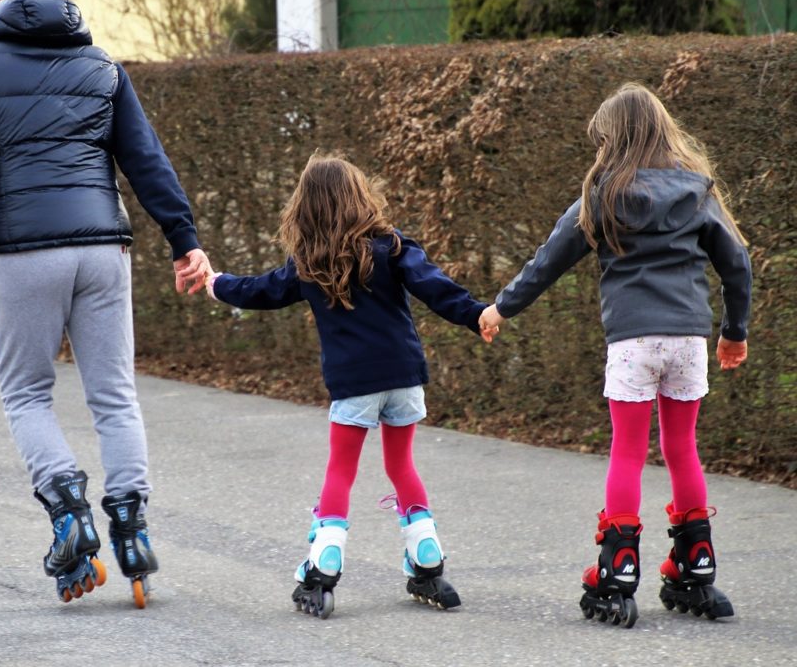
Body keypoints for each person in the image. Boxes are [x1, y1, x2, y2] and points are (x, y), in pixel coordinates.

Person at [0, 0, 210, 608]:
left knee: (26, 394)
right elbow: (146, 160)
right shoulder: (102, 65)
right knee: (114, 393)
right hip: (103, 247)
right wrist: (185, 241)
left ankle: (68, 508)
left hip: (22, 250)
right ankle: (131, 529)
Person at [479, 83, 751, 627]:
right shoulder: (698, 191)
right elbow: (736, 262)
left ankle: (619, 566)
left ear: (612, 139)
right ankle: (696, 562)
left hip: (632, 341)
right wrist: (734, 332)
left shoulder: (601, 194)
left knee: (628, 450)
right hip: (688, 340)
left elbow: (548, 261)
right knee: (682, 448)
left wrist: (501, 308)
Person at [204, 154, 493, 618]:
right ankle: (427, 557)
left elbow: (259, 291)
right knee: (401, 466)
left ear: (306, 208)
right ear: (361, 196)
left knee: (342, 470)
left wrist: (217, 284)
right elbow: (436, 287)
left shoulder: (308, 263)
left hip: (353, 383)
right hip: (403, 375)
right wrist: (477, 314)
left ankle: (325, 561)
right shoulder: (394, 247)